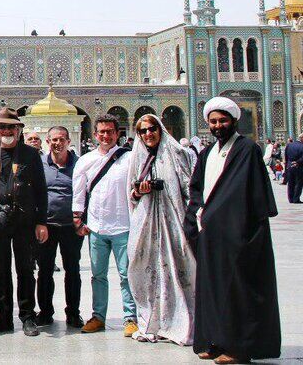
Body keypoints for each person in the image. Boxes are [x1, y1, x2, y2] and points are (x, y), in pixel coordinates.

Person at [184, 97, 281, 363]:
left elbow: (239, 192)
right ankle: (215, 340)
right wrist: (196, 214)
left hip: (236, 232)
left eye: (222, 120)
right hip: (211, 234)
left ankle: (238, 347)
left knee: (235, 288)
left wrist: (218, 216)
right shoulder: (207, 153)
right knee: (213, 288)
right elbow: (197, 189)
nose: (218, 125)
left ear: (234, 121)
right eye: (213, 121)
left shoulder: (246, 149)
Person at [0, 108, 48, 336]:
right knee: (0, 271)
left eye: (10, 127)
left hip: (24, 221)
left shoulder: (29, 155)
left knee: (25, 270)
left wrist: (41, 221)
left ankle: (27, 316)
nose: (6, 130)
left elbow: (41, 191)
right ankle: (3, 316)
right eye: (2, 127)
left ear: (18, 129)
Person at [126, 114, 195, 346]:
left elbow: (189, 188)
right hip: (146, 225)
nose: (148, 134)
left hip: (174, 222)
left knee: (178, 270)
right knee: (145, 270)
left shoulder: (177, 154)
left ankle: (180, 321)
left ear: (161, 129)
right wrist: (140, 191)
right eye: (143, 131)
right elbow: (131, 194)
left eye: (152, 129)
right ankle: (153, 322)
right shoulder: (138, 157)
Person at [72, 115, 137, 336]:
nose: (106, 136)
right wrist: (78, 219)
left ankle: (131, 317)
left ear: (117, 134)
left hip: (123, 226)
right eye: (102, 132)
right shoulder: (86, 160)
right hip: (97, 228)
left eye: (110, 131)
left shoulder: (129, 159)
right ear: (95, 134)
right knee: (98, 275)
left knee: (126, 274)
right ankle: (98, 316)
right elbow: (78, 193)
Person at [36, 126, 83, 329]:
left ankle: (73, 312)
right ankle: (45, 312)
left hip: (71, 227)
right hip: (47, 226)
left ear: (68, 141)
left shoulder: (79, 165)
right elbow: (36, 194)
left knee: (72, 270)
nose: (58, 143)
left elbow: (87, 193)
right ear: (48, 142)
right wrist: (39, 222)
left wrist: (83, 221)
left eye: (62, 139)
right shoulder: (40, 165)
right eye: (54, 140)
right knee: (45, 270)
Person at [285, 135, 303, 203]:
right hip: (299, 166)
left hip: (290, 166)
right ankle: (296, 199)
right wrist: (297, 162)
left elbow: (286, 156)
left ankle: (290, 198)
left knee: (291, 182)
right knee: (298, 183)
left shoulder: (289, 145)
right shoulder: (301, 146)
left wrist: (287, 164)